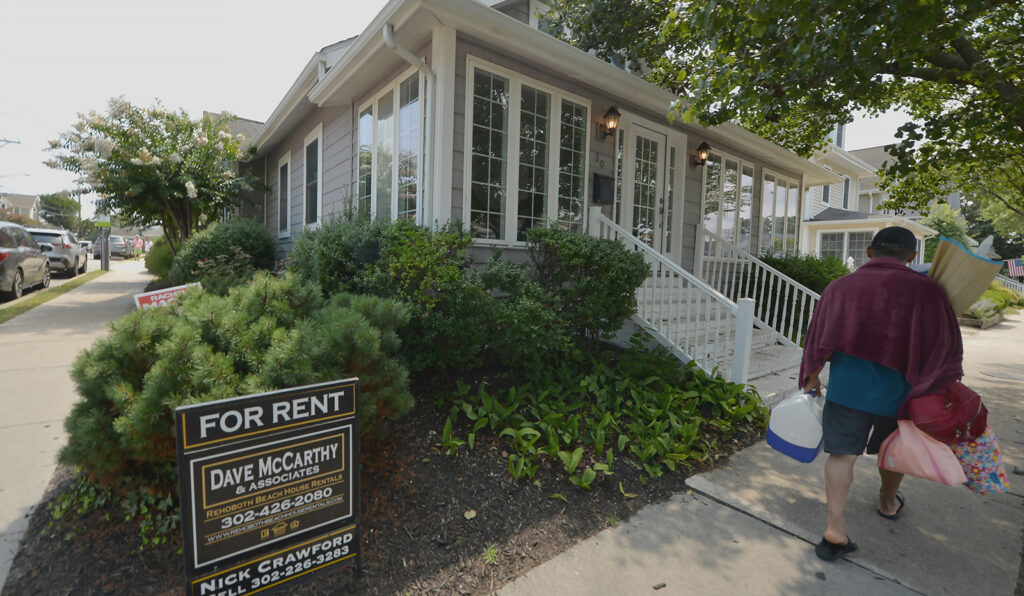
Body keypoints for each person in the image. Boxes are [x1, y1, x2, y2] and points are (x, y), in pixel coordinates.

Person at [799, 226, 963, 562]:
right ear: (912, 257)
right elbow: (944, 346)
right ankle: (889, 503)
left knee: (841, 455)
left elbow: (819, 339)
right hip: (901, 394)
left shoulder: (841, 287)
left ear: (870, 253)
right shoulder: (929, 291)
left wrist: (812, 376)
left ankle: (834, 528)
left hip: (848, 389)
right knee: (893, 452)